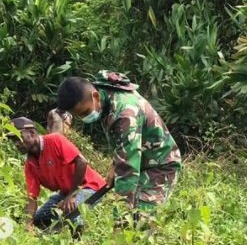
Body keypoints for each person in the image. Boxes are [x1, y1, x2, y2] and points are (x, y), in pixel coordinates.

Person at [56, 71, 181, 214]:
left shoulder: (125, 115)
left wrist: (120, 214)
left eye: (85, 112)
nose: (83, 117)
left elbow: (128, 168)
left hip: (160, 165)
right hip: (141, 159)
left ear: (95, 96)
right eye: (79, 115)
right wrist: (115, 164)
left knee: (140, 216)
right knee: (130, 210)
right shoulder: (104, 93)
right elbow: (122, 143)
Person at [7, 117, 106, 231]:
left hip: (90, 187)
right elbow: (32, 198)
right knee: (39, 219)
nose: (16, 144)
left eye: (18, 138)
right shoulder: (30, 164)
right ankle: (51, 233)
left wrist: (71, 195)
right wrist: (28, 224)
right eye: (13, 141)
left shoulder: (54, 140)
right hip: (65, 193)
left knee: (70, 212)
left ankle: (77, 241)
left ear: (32, 133)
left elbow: (82, 161)